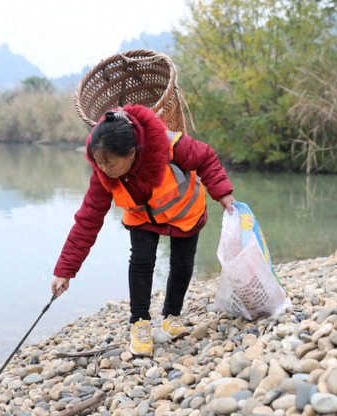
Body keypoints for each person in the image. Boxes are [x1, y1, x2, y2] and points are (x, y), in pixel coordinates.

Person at [51, 104, 235, 356]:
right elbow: (87, 221)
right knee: (141, 261)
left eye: (110, 163)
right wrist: (65, 272)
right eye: (98, 162)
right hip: (142, 214)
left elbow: (205, 157)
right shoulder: (103, 172)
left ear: (133, 152)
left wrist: (223, 195)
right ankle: (140, 323)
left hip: (184, 210)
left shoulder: (170, 145)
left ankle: (172, 317)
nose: (104, 168)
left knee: (182, 264)